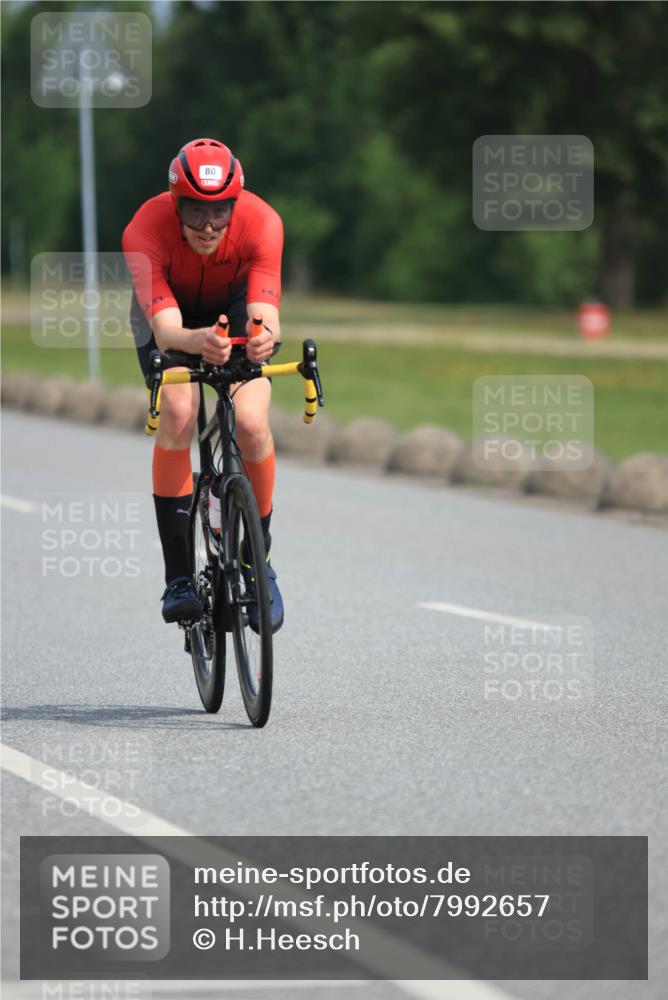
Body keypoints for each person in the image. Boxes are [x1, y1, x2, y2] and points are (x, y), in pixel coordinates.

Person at [122, 137, 284, 630]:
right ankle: (178, 579)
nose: (209, 225)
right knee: (178, 411)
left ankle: (258, 562)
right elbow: (169, 331)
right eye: (195, 212)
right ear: (176, 204)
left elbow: (265, 314)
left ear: (236, 203)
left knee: (252, 422)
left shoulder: (262, 223)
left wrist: (260, 340)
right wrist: (198, 342)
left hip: (232, 305)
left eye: (220, 211)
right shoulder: (144, 229)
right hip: (168, 315)